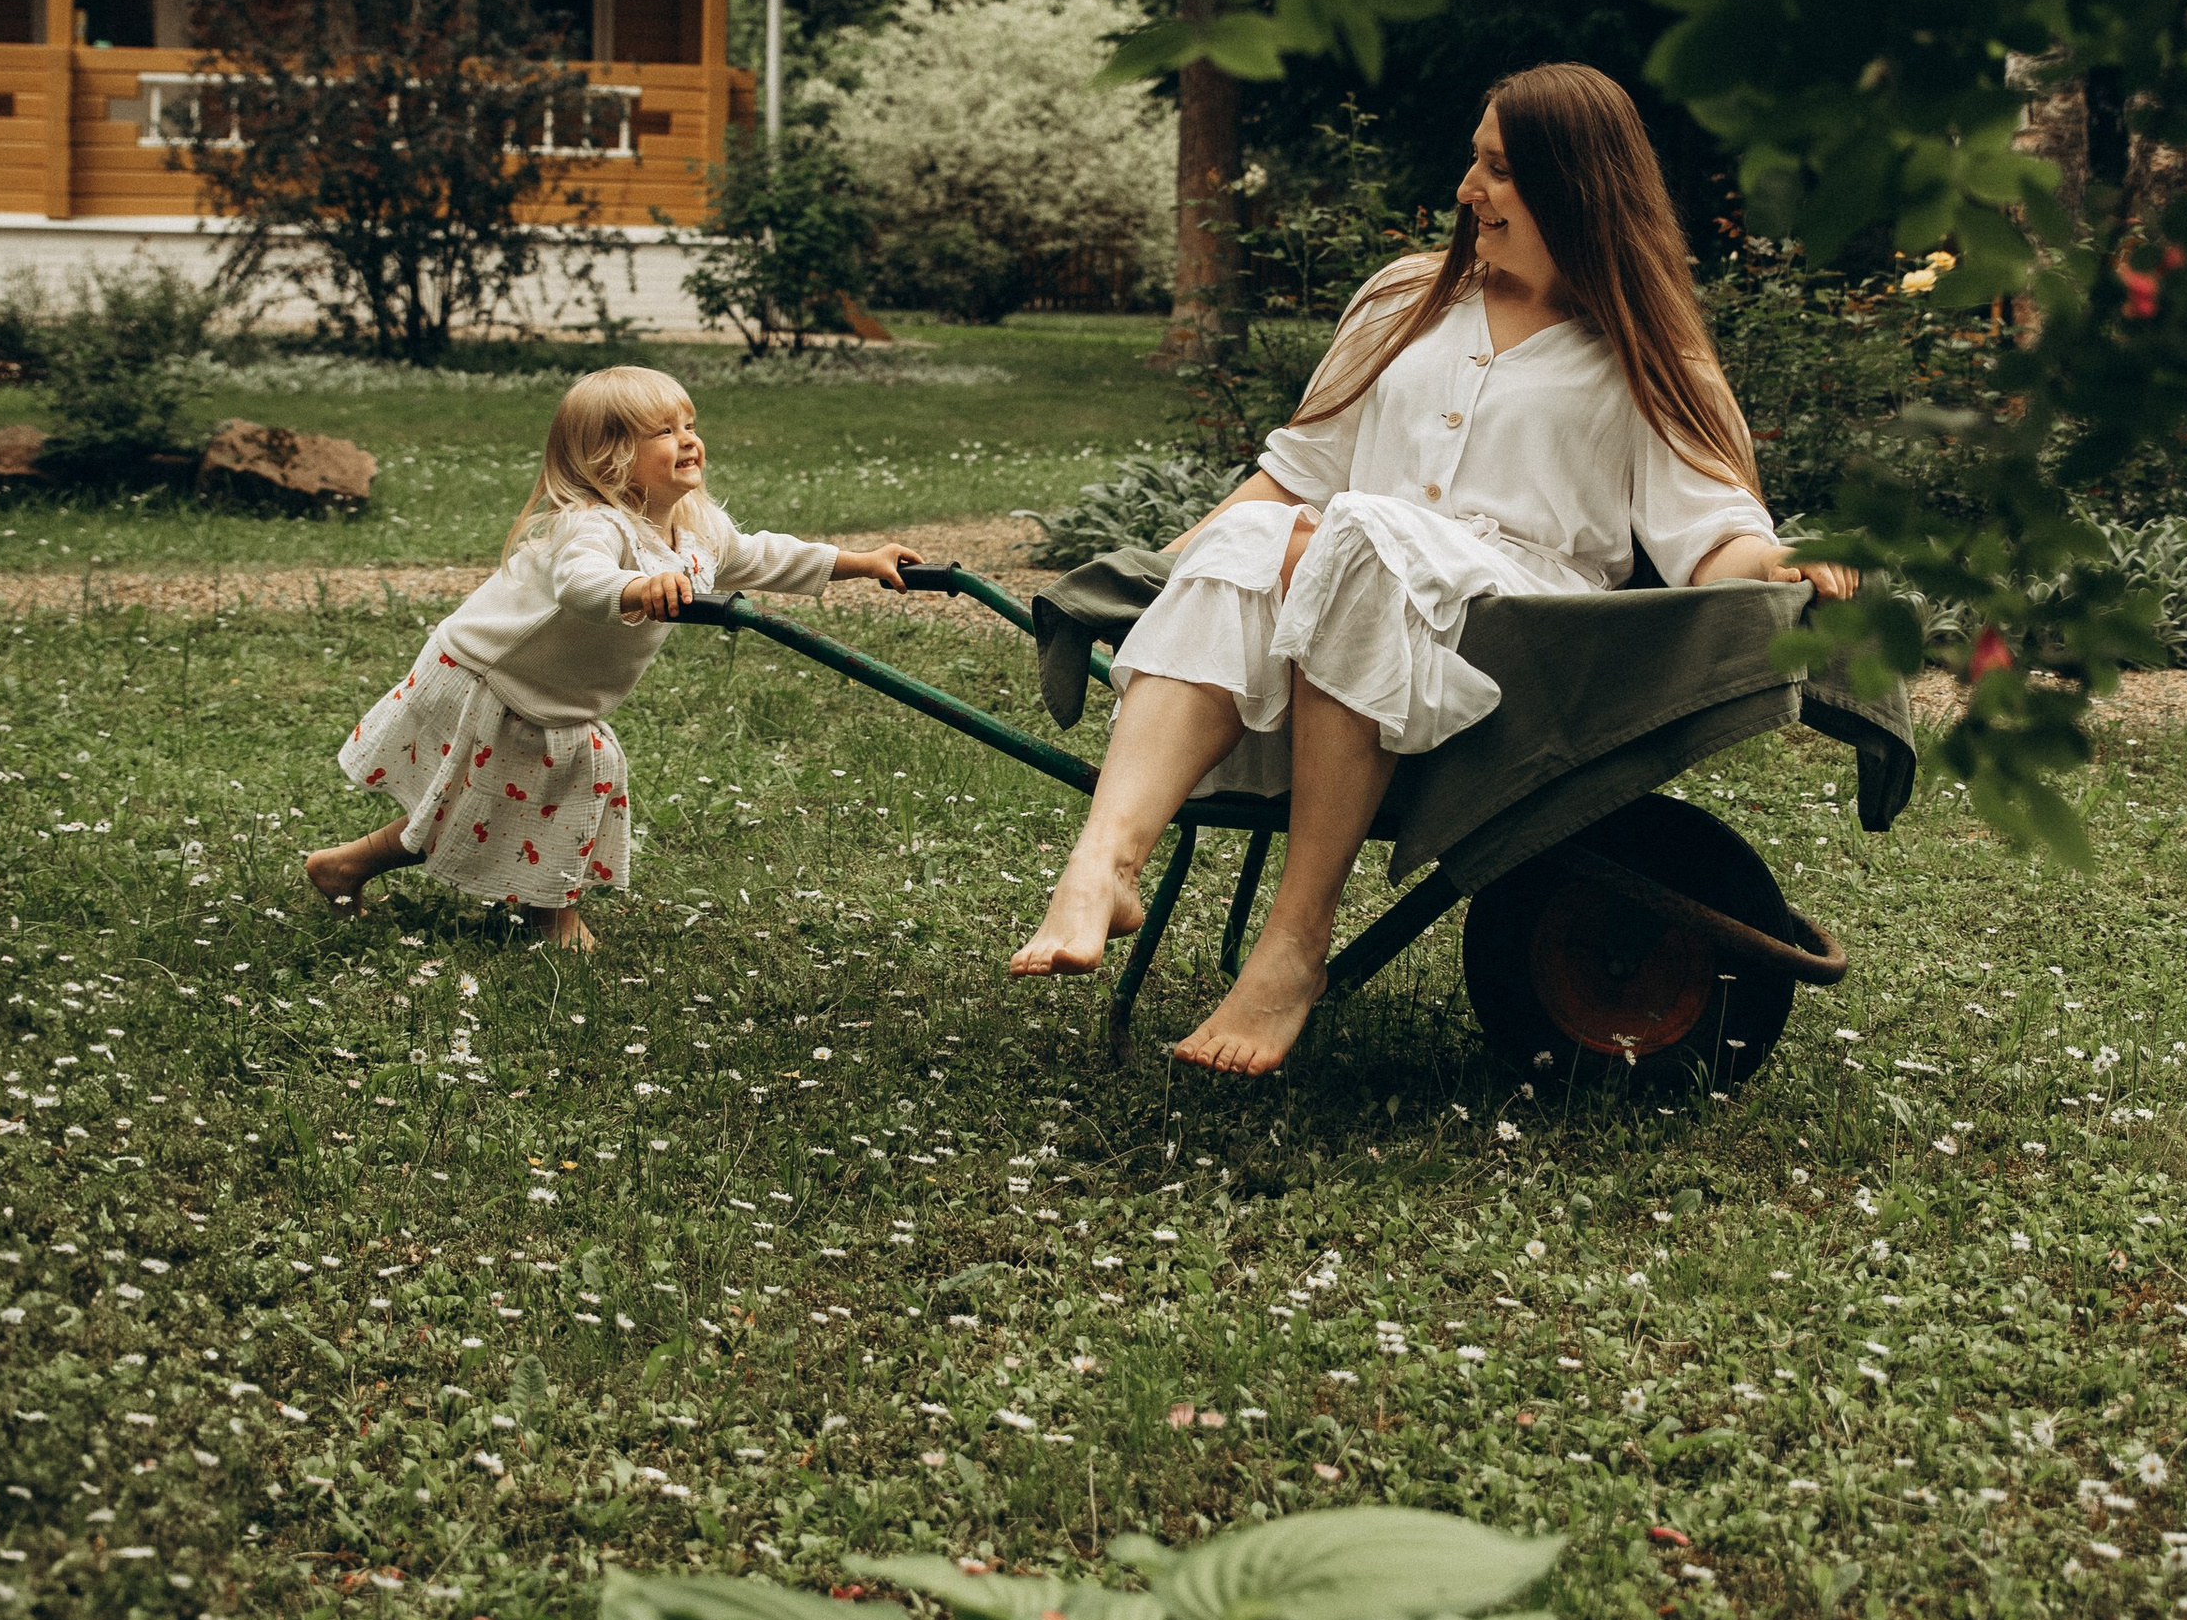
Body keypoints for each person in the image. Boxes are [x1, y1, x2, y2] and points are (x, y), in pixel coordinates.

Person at [1013, 63, 1856, 1072]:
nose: (1467, 188)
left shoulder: (1642, 352)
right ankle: (1102, 860)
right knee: (1281, 537)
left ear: (1572, 185)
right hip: (1335, 623)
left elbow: (1709, 533)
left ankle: (1294, 943)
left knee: (1358, 536)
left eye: (1497, 169)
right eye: (1474, 160)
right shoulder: (1407, 297)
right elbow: (1294, 474)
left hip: (1509, 648)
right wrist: (1173, 570)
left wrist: (1778, 559)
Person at [304, 364, 918, 949]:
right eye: (664, 432)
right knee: (489, 799)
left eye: (689, 426)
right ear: (610, 457)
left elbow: (765, 556)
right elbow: (581, 581)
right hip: (493, 679)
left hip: (557, 698)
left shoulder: (697, 527)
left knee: (545, 790)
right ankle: (513, 906)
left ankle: (394, 875)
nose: (688, 441)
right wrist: (635, 588)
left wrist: (861, 562)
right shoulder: (592, 525)